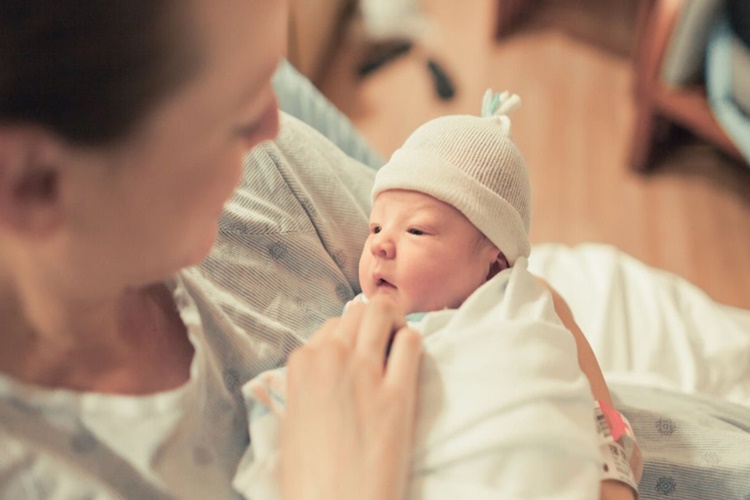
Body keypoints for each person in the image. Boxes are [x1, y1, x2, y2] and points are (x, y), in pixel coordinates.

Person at [0, 2, 633, 499]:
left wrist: (608, 462)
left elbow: (516, 289)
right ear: (35, 185)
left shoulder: (264, 175)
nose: (275, 124)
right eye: (233, 112)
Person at [235, 92, 641, 499]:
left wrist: (610, 452)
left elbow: (553, 342)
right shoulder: (362, 319)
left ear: (495, 267)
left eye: (416, 231)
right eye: (374, 228)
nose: (379, 245)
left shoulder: (515, 307)